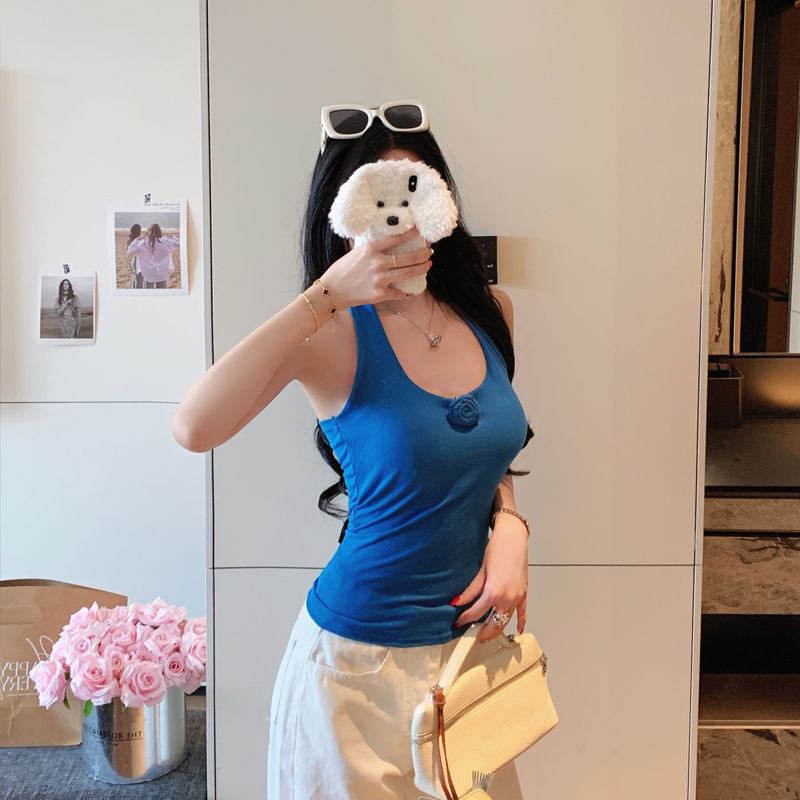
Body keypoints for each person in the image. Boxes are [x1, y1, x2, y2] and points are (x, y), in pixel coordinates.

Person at [172, 104, 534, 800]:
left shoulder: (491, 313)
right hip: (355, 674)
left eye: (415, 190)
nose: (399, 218)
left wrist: (511, 524)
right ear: (343, 213)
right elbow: (194, 427)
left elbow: (483, 451)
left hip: (467, 663)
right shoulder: (329, 333)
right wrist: (324, 296)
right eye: (376, 197)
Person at [126, 223, 179, 288]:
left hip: (148, 273)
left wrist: (136, 240)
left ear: (149, 232)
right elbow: (181, 244)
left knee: (149, 291)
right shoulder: (166, 242)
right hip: (161, 272)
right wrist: (172, 237)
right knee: (161, 291)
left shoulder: (144, 243)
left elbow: (130, 252)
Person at [127, 223, 144, 288]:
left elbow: (128, 250)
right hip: (139, 260)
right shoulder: (139, 239)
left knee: (135, 277)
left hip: (134, 260)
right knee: (139, 278)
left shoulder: (131, 240)